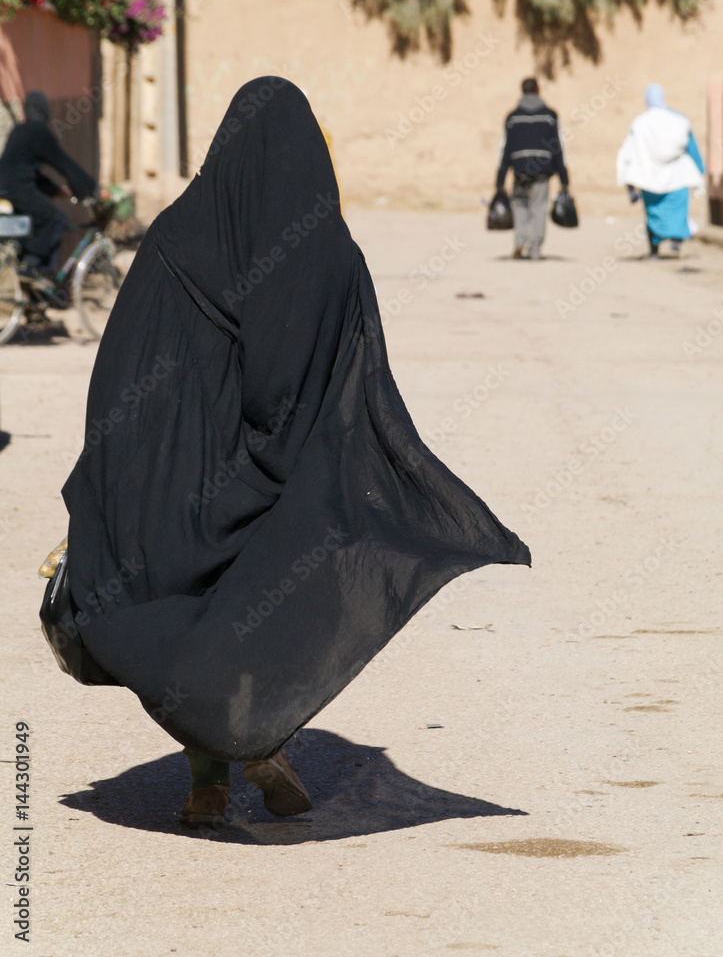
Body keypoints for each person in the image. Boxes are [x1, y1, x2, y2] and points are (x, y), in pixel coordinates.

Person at [54, 78, 530, 828]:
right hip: (274, 463)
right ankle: (264, 743)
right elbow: (334, 375)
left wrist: (121, 467)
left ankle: (207, 778)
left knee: (181, 613)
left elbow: (123, 359)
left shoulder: (180, 232)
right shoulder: (327, 250)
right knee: (262, 603)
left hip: (175, 469)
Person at [0, 91, 96, 276]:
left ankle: (30, 278)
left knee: (34, 224)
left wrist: (54, 189)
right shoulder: (40, 132)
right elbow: (64, 164)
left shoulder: (20, 129)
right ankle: (33, 269)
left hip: (8, 188)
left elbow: (25, 170)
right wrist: (89, 189)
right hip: (18, 189)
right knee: (55, 218)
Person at [617, 83, 705, 258]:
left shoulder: (640, 123)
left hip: (649, 180)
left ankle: (654, 250)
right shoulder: (680, 120)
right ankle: (676, 240)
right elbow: (691, 147)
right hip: (677, 178)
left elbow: (629, 153)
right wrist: (699, 170)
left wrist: (629, 185)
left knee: (654, 214)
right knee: (677, 212)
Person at [495, 77, 570, 260]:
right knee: (539, 208)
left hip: (519, 171)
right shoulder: (550, 116)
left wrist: (500, 180)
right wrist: (564, 178)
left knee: (520, 206)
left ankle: (520, 241)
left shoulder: (512, 118)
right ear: (538, 90)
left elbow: (505, 149)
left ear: (522, 91)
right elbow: (558, 147)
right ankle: (534, 248)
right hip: (542, 172)